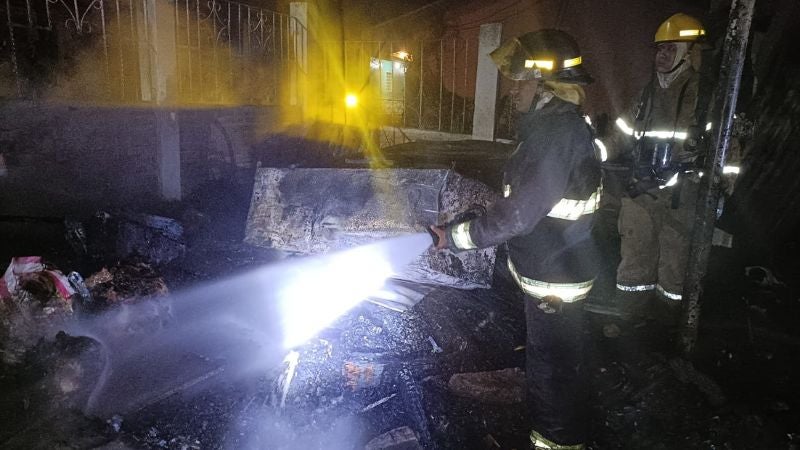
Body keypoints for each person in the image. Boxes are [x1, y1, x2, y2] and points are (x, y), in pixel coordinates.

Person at [430, 29, 601, 450]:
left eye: (519, 79)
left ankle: (557, 443)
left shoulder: (556, 133)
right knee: (552, 363)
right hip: (554, 264)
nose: (512, 88)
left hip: (556, 276)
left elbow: (521, 215)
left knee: (551, 370)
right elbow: (531, 199)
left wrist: (455, 238)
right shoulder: (553, 127)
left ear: (544, 82)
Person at [603, 13, 713, 324]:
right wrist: (593, 151)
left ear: (689, 53)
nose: (661, 56)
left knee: (674, 269)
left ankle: (668, 329)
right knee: (634, 263)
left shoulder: (705, 96)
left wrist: (720, 188)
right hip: (643, 193)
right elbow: (621, 134)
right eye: (659, 49)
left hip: (682, 198)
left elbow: (725, 147)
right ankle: (629, 324)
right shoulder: (647, 94)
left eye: (670, 49)